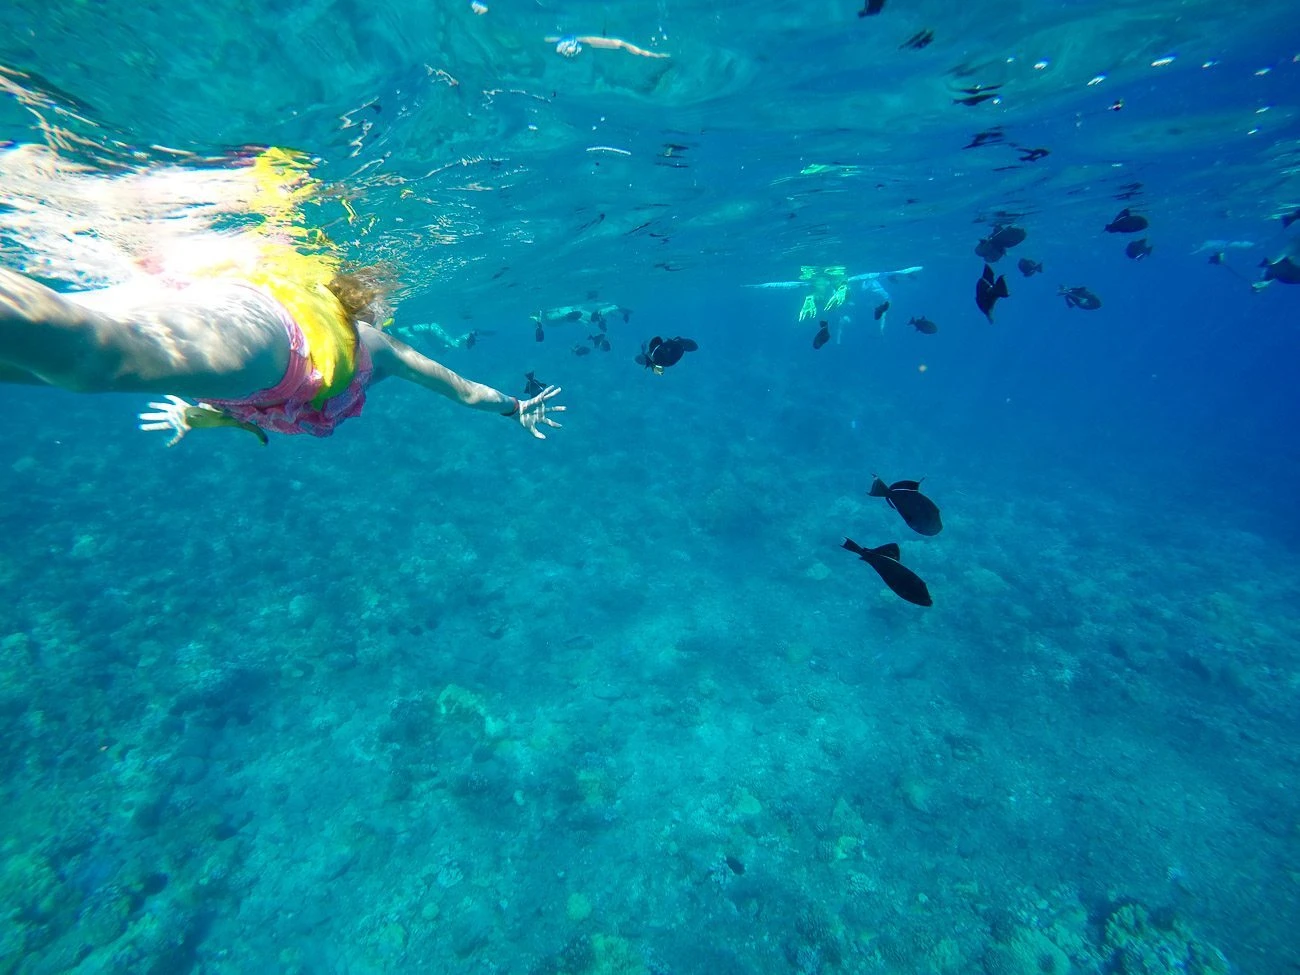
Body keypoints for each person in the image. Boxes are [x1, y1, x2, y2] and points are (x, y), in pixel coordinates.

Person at [0, 145, 566, 445]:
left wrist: (203, 416)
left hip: (223, 318)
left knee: (44, 366)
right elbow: (463, 392)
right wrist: (514, 408)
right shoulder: (374, 346)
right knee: (95, 364)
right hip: (271, 349)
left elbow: (466, 394)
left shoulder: (359, 339)